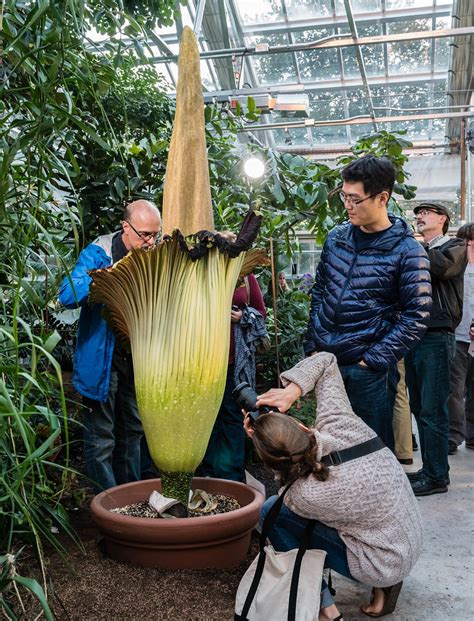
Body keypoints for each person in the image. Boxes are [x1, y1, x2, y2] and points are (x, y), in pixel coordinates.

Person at [244, 352, 422, 620]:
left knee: (271, 513)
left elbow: (286, 492)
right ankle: (384, 581)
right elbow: (326, 360)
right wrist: (290, 391)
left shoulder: (305, 495)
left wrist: (263, 446)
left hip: (384, 560)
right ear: (303, 427)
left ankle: (324, 606)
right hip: (408, 535)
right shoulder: (340, 423)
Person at [304, 155, 432, 451]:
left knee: (369, 450)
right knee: (330, 446)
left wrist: (372, 360)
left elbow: (417, 315)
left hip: (366, 371)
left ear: (382, 198)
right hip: (327, 363)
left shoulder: (408, 251)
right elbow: (321, 290)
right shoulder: (337, 238)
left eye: (355, 199)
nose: (347, 206)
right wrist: (313, 343)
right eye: (344, 197)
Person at [59, 200, 162, 491]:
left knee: (132, 433)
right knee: (101, 439)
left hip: (137, 362)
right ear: (125, 227)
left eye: (155, 234)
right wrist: (110, 278)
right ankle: (109, 508)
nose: (151, 241)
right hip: (101, 363)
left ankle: (132, 501)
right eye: (144, 234)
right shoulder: (99, 253)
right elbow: (67, 293)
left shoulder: (153, 253)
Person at [405, 203, 466, 496]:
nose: (419, 217)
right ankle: (430, 468)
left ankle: (437, 476)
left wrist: (416, 249)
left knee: (433, 409)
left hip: (438, 335)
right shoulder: (420, 248)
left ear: (442, 219)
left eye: (426, 213)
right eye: (418, 213)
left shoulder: (454, 246)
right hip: (414, 333)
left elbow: (442, 268)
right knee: (418, 406)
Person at [198, 259, 267, 481]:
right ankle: (206, 474)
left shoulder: (246, 276)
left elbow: (261, 312)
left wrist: (242, 317)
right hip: (203, 363)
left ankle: (231, 477)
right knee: (205, 418)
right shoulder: (202, 275)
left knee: (232, 417)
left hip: (233, 362)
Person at [447, 222, 474, 453]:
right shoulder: (455, 267)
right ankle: (453, 436)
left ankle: (472, 435)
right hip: (457, 336)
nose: (469, 244)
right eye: (465, 240)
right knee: (454, 389)